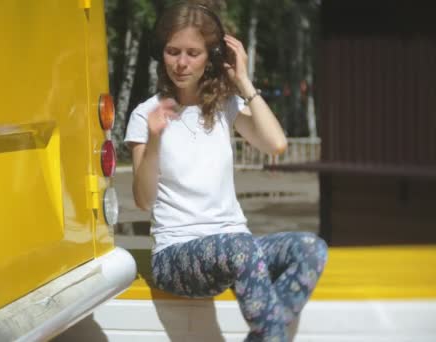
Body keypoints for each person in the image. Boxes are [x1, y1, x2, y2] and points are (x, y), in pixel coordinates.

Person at [123, 2, 328, 341]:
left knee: (310, 247)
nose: (182, 63)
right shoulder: (146, 114)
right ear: (161, 54)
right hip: (176, 256)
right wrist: (155, 138)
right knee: (241, 248)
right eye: (173, 51)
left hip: (234, 249)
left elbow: (276, 144)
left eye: (193, 52)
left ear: (211, 56)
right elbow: (143, 201)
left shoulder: (224, 106)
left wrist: (244, 83)